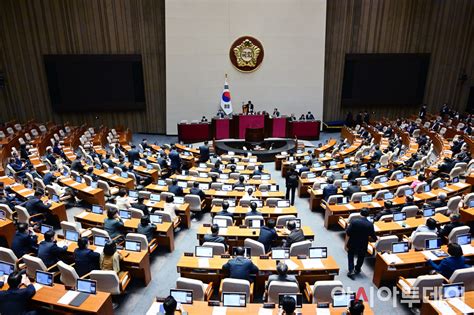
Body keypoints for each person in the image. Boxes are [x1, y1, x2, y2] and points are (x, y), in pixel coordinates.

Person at [346, 209, 377, 278]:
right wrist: (377, 239)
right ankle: (357, 268)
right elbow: (373, 236)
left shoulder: (354, 222)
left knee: (350, 255)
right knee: (361, 256)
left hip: (353, 242)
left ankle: (351, 270)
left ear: (360, 214)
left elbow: (348, 232)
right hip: (363, 243)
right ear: (368, 215)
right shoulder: (370, 224)